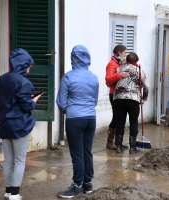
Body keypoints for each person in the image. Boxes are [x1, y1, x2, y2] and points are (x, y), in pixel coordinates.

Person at [0, 48, 40, 200]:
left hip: (3, 124)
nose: (29, 68)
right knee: (19, 160)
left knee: (8, 160)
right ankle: (15, 194)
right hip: (19, 126)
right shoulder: (24, 82)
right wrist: (34, 101)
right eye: (29, 65)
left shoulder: (0, 80)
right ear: (24, 64)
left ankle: (8, 192)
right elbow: (26, 106)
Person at [56, 45, 99, 198]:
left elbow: (61, 102)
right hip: (90, 118)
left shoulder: (68, 77)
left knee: (77, 154)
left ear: (73, 58)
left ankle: (76, 186)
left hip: (75, 118)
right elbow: (94, 99)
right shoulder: (93, 77)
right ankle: (88, 184)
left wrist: (68, 110)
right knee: (87, 152)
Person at [114, 52, 149, 154]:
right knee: (133, 122)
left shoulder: (119, 69)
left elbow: (111, 81)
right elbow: (146, 87)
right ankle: (132, 148)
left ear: (127, 60)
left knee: (120, 122)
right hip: (133, 99)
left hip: (118, 98)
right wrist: (144, 98)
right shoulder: (139, 71)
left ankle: (119, 147)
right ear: (136, 61)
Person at [105, 45, 129, 150]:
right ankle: (109, 142)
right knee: (116, 118)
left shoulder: (118, 63)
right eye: (124, 53)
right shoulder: (111, 64)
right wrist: (120, 75)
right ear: (119, 53)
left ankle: (118, 141)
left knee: (120, 117)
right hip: (114, 94)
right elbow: (108, 79)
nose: (126, 54)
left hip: (119, 94)